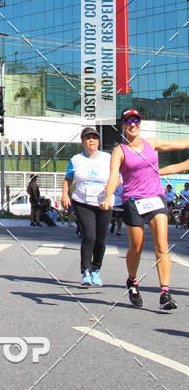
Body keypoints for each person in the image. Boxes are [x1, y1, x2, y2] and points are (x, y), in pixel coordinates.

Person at [100, 108, 189, 310]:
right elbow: (114, 176)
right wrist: (108, 198)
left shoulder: (151, 143)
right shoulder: (119, 151)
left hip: (156, 198)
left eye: (136, 121)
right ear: (123, 125)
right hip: (133, 201)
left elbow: (178, 144)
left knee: (161, 245)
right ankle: (132, 280)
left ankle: (165, 293)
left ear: (140, 124)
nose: (133, 124)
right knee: (137, 247)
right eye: (129, 121)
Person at [62, 127, 112, 286]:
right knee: (89, 235)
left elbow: (116, 178)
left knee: (101, 238)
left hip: (103, 202)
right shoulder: (76, 159)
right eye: (88, 138)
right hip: (82, 202)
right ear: (83, 142)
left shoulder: (108, 158)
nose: (91, 140)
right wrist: (64, 195)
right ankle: (86, 271)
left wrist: (110, 191)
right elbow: (68, 179)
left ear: (98, 141)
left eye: (94, 138)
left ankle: (96, 270)